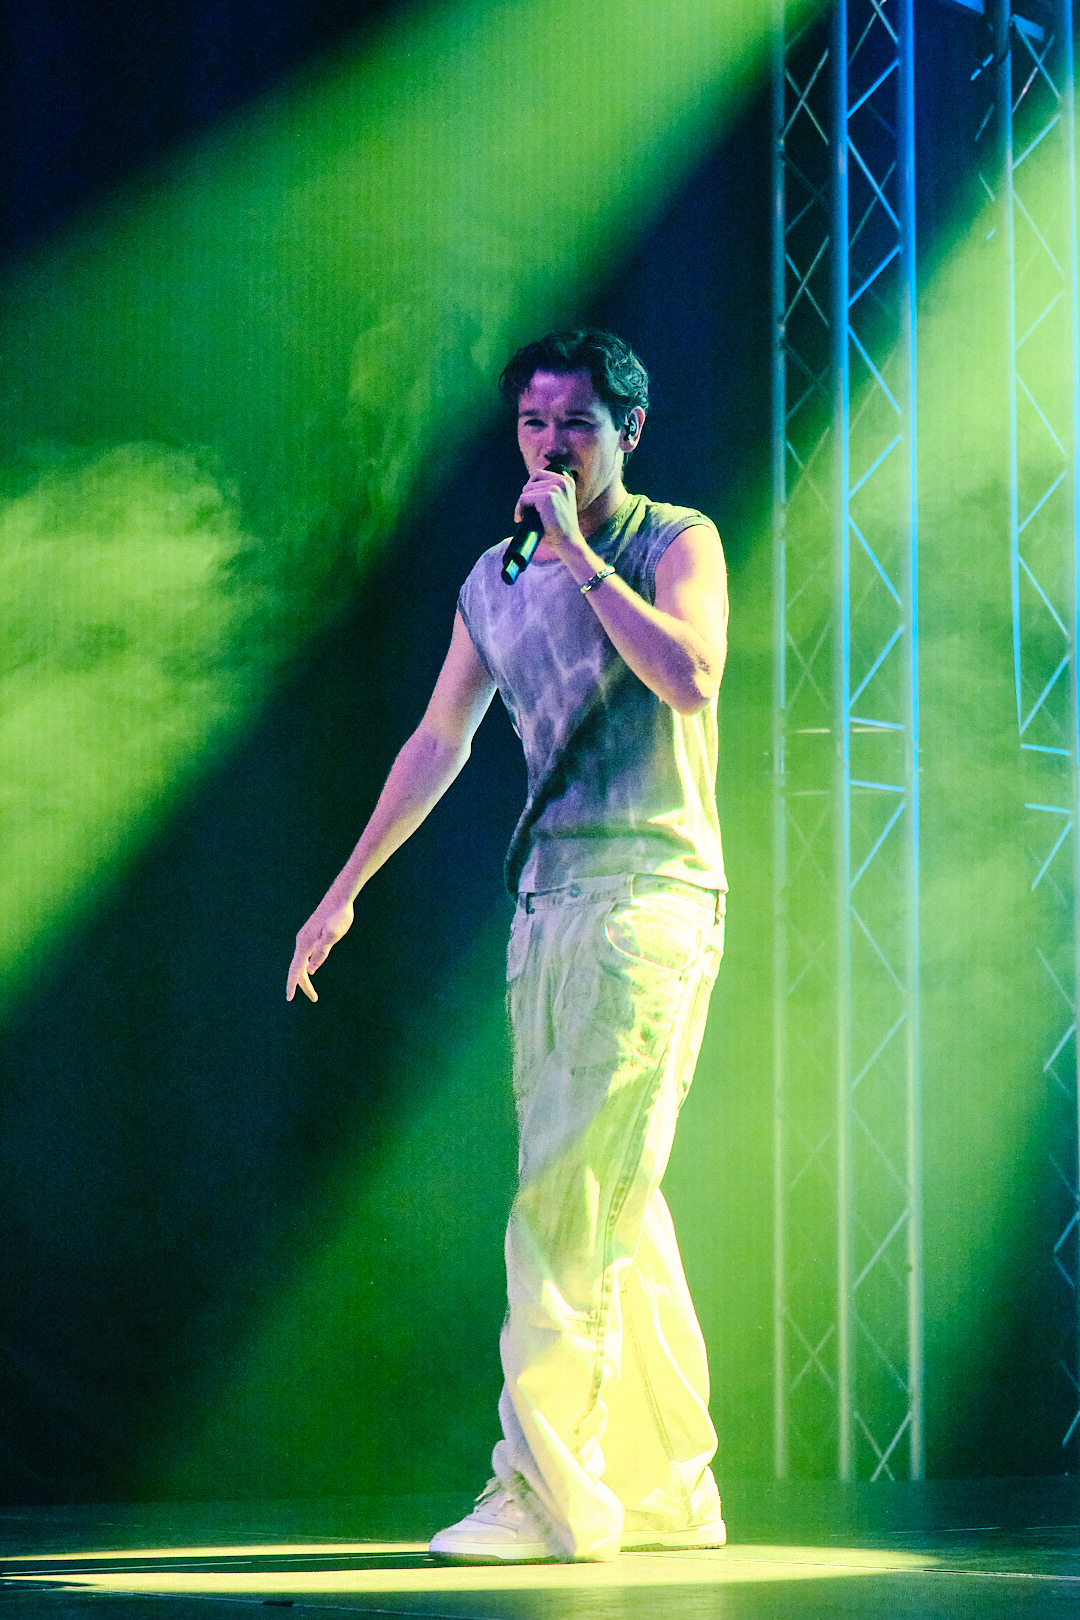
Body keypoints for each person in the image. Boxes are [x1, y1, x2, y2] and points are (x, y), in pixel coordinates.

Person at [287, 329, 729, 1564]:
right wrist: (344, 890)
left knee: (565, 1199)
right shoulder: (492, 577)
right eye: (534, 424)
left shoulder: (671, 540)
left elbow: (691, 675)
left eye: (576, 424)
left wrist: (582, 554)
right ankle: (671, 1488)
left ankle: (544, 1490)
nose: (550, 446)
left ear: (627, 432)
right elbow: (440, 739)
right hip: (546, 902)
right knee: (613, 1198)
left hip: (648, 893)